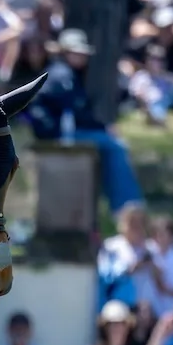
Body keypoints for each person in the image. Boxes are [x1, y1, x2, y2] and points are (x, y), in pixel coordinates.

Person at [27, 28, 146, 213]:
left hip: (65, 131)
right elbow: (75, 112)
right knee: (115, 146)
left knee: (111, 145)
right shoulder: (62, 75)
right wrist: (104, 129)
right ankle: (128, 206)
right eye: (77, 52)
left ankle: (123, 206)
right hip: (63, 133)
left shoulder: (66, 73)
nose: (82, 57)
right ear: (65, 52)